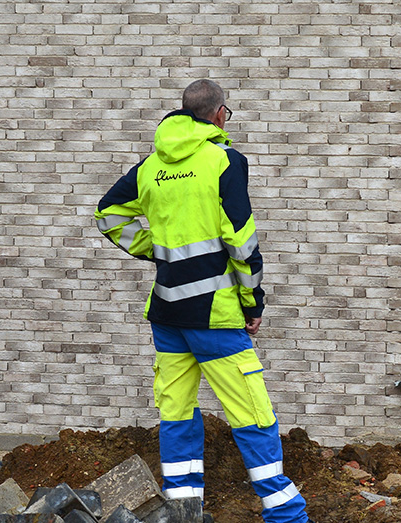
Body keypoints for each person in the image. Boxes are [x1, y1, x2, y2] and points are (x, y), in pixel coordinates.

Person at [95, 79, 312, 523]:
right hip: (214, 315)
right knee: (254, 417)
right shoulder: (224, 161)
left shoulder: (151, 166)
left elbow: (108, 213)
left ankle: (183, 512)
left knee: (177, 416)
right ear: (218, 114)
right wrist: (254, 303)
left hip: (167, 314)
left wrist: (154, 248)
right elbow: (241, 240)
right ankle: (287, 518)